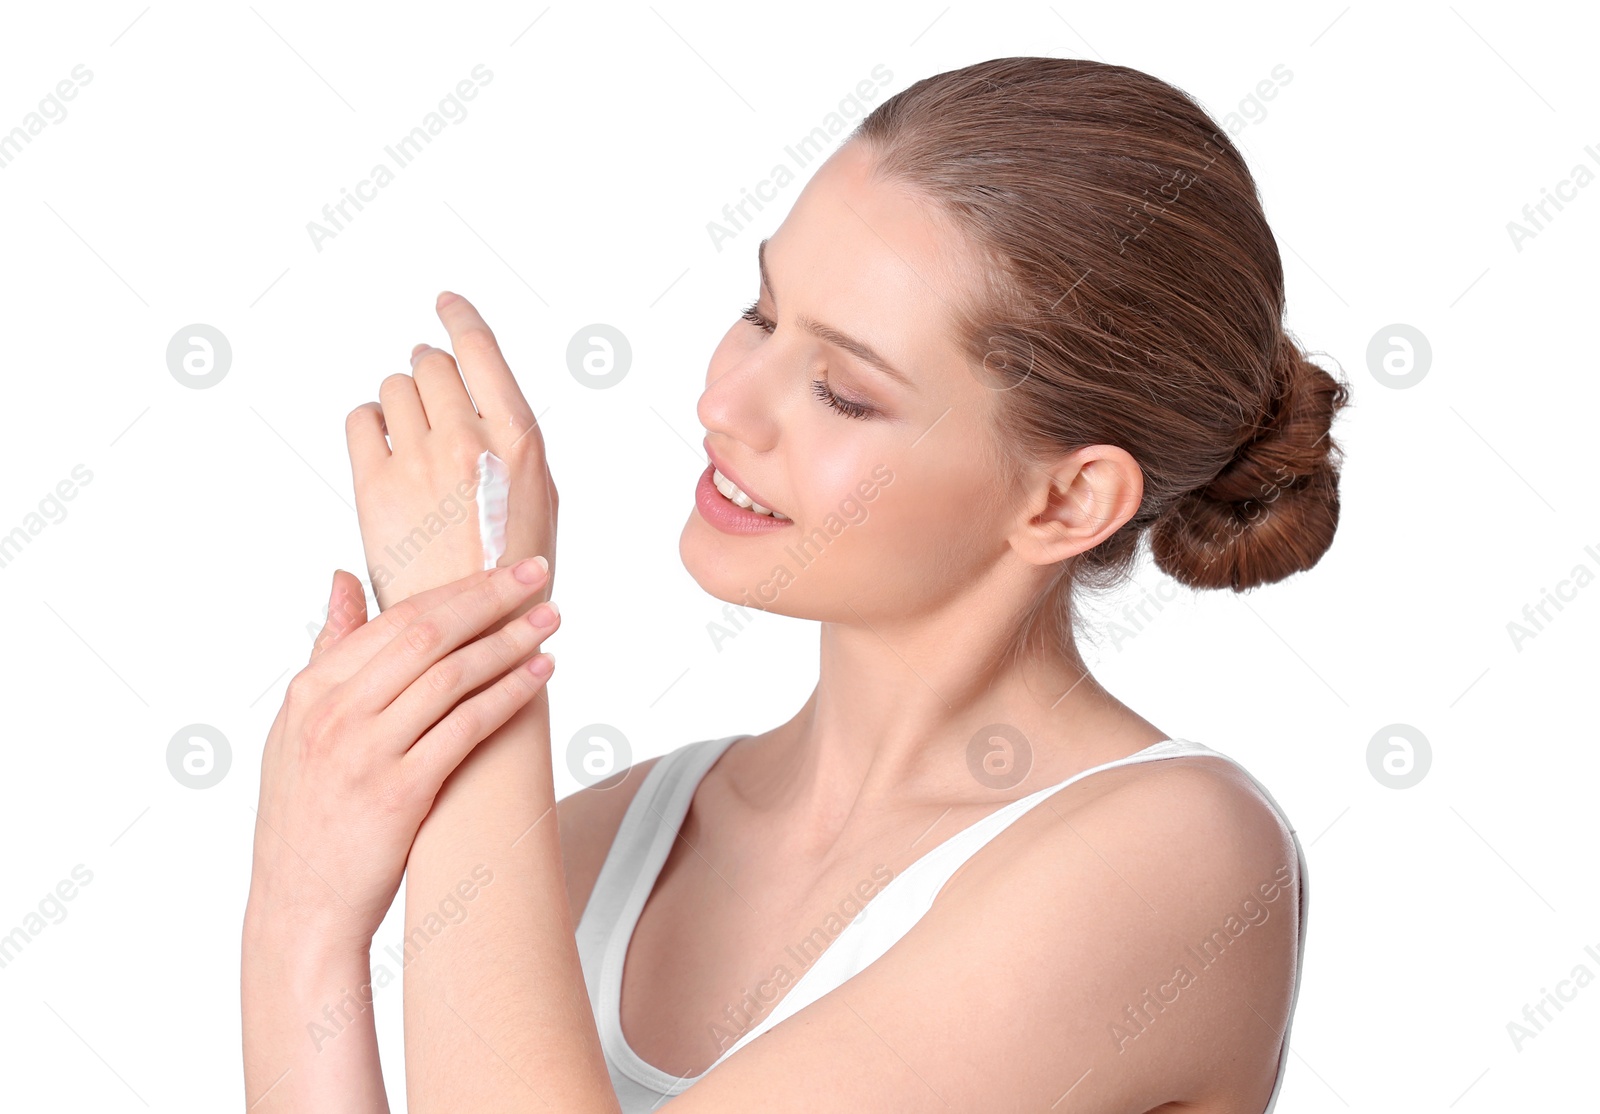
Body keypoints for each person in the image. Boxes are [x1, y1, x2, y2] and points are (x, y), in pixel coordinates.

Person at [242, 55, 1349, 1112]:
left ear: (1064, 501)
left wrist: (473, 661)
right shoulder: (599, 844)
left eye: (843, 391)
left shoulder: (1176, 859)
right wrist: (298, 930)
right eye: (761, 314)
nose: (727, 403)